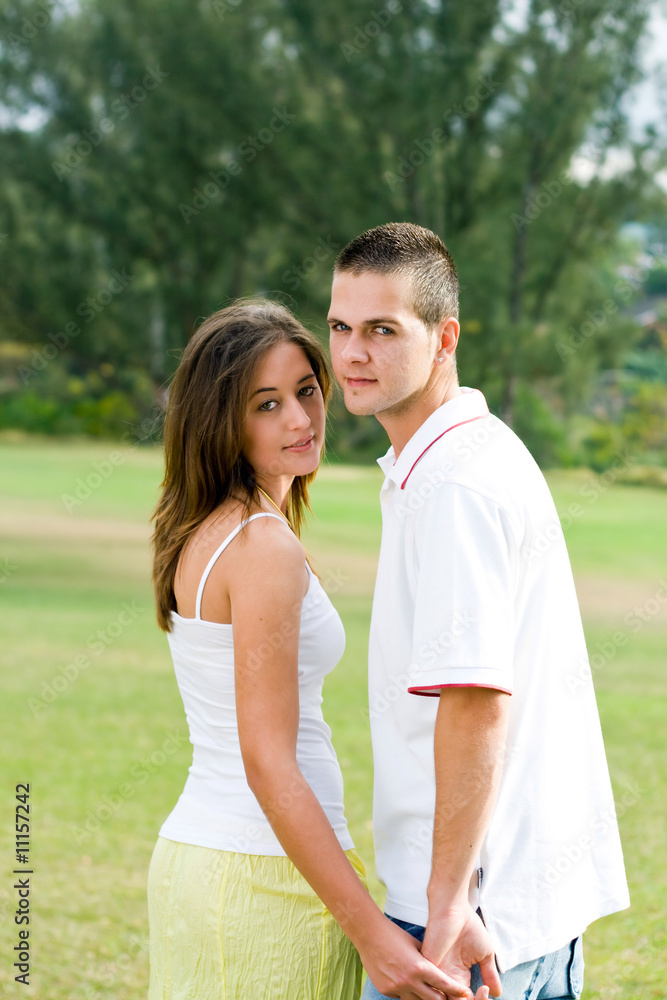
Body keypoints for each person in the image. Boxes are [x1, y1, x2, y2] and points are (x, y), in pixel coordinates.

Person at [327, 223, 630, 1000]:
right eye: (340, 327)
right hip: (507, 908)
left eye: (382, 330)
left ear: (444, 337)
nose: (353, 354)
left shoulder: (456, 484)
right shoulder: (454, 456)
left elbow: (473, 701)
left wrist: (447, 900)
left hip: (469, 918)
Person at [147, 300, 483, 1000]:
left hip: (205, 860)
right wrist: (370, 933)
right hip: (262, 878)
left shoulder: (207, 528)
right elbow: (267, 759)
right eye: (266, 405)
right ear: (220, 420)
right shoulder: (262, 546)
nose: (300, 420)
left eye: (305, 391)